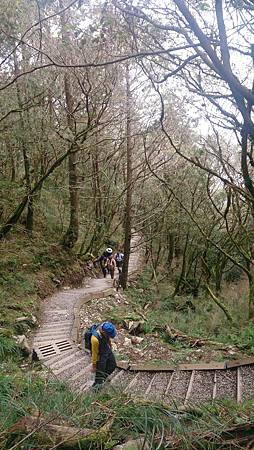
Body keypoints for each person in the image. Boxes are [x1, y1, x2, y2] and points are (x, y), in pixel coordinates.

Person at [90, 322, 117, 389]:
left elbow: (108, 339)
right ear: (104, 332)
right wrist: (94, 365)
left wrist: (110, 346)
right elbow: (94, 353)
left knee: (112, 365)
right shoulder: (94, 339)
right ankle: (95, 388)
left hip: (106, 350)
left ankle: (103, 378)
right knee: (99, 374)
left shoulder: (105, 327)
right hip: (100, 355)